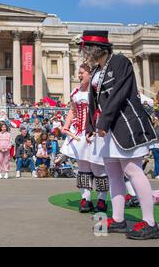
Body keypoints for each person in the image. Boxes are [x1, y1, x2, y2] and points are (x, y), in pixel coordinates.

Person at [82, 30, 159, 240]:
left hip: (124, 124)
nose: (83, 53)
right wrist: (90, 127)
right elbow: (93, 102)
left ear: (94, 49)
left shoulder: (120, 62)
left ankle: (150, 223)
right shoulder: (97, 70)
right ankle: (118, 219)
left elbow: (119, 93)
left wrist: (103, 121)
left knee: (133, 171)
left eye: (85, 49)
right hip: (107, 130)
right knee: (113, 173)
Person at [61, 63, 108, 213]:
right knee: (83, 168)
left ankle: (102, 200)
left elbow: (103, 111)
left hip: (95, 133)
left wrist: (97, 129)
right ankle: (86, 199)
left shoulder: (97, 91)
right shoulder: (75, 92)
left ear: (90, 74)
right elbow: (73, 111)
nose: (79, 75)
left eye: (82, 73)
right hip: (80, 133)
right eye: (79, 73)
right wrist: (66, 125)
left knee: (98, 167)